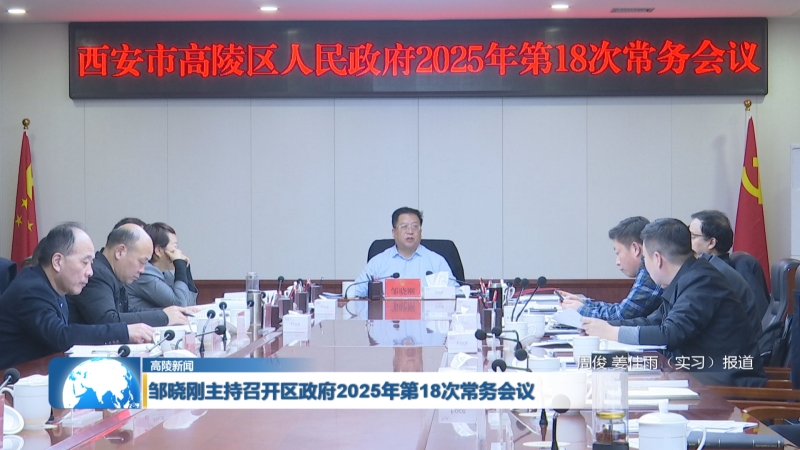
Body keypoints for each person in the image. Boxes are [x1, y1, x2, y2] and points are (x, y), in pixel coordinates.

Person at [582, 218, 765, 387]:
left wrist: (613, 333)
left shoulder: (702, 281)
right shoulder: (687, 277)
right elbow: (654, 321)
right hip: (694, 370)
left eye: (645, 259)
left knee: (626, 385)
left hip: (722, 378)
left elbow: (670, 334)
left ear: (657, 259)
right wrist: (603, 327)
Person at [0, 223, 153, 369]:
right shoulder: (31, 289)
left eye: (91, 263)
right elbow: (60, 336)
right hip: (12, 380)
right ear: (57, 261)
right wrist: (124, 332)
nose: (90, 272)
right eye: (85, 263)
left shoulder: (55, 286)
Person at [67, 224, 193, 327]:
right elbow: (107, 320)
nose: (142, 270)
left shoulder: (112, 272)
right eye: (142, 262)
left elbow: (126, 312)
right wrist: (163, 317)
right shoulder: (97, 274)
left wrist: (169, 312)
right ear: (120, 252)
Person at [558, 217, 663, 320]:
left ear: (635, 249)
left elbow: (621, 315)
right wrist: (585, 304)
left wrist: (580, 309)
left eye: (618, 253)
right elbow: (622, 309)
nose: (617, 262)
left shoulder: (650, 272)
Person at [352, 207, 455, 298]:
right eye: (404, 226)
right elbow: (354, 293)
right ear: (394, 232)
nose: (410, 231)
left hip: (426, 314)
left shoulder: (437, 262)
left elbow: (456, 293)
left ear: (421, 232)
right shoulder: (378, 262)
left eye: (415, 226)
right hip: (386, 314)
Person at [689, 212, 762, 337]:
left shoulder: (713, 276)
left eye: (692, 236)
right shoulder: (717, 267)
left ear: (711, 243)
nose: (686, 241)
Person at [126, 222, 197, 309]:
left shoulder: (164, 272)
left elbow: (190, 304)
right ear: (158, 251)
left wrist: (185, 268)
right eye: (175, 246)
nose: (179, 251)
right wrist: (179, 265)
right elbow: (180, 304)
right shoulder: (144, 273)